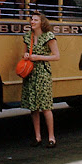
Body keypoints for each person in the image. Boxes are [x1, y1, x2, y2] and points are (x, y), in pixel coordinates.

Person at [21, 11, 60, 148]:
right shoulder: (28, 37)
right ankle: (37, 137)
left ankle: (51, 137)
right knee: (33, 107)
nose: (32, 22)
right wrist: (26, 55)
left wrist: (39, 57)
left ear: (42, 22)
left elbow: (56, 56)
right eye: (32, 20)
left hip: (43, 72)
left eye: (35, 20)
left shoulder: (49, 37)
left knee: (46, 107)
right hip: (31, 73)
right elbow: (24, 52)